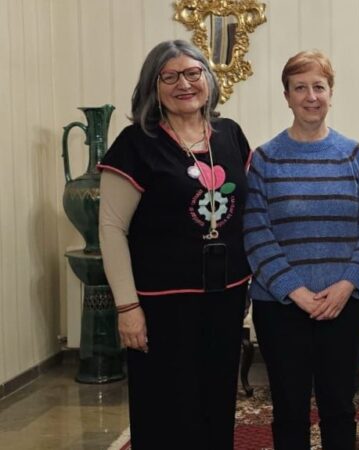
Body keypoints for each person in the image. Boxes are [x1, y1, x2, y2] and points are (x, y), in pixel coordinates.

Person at [98, 40, 252, 449]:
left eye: (192, 73)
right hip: (160, 304)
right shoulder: (135, 144)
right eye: (170, 76)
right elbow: (111, 229)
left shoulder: (230, 134)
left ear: (208, 78)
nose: (184, 84)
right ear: (153, 86)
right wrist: (128, 307)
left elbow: (246, 212)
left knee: (216, 403)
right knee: (165, 407)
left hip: (225, 296)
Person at [243, 50, 359, 450]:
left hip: (343, 303)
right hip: (281, 306)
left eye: (318, 87)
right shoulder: (266, 159)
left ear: (330, 92)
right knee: (289, 408)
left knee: (339, 405)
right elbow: (255, 231)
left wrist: (346, 286)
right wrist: (297, 292)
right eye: (299, 88)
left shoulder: (353, 155)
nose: (310, 96)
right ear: (286, 96)